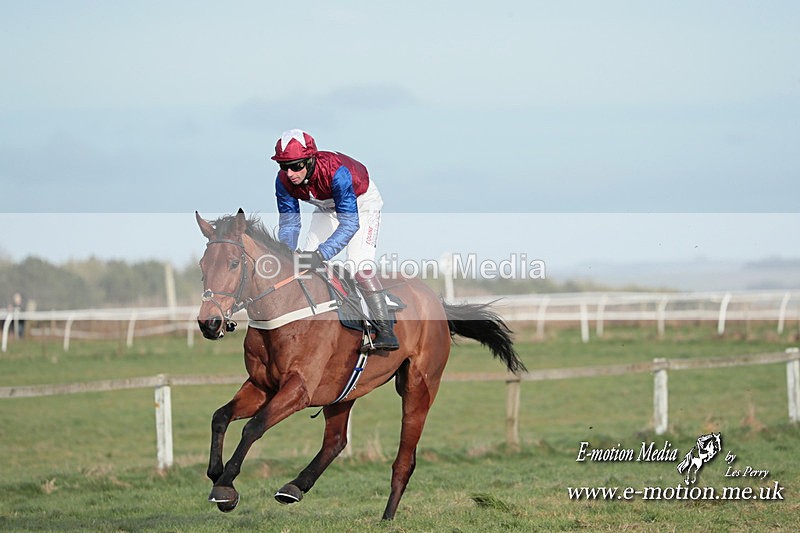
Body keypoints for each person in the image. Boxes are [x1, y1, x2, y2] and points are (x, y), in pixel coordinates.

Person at [272, 129, 399, 351]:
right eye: (284, 166)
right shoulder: (283, 181)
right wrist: (286, 254)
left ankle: (386, 329)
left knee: (358, 265)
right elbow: (290, 224)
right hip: (327, 206)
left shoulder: (336, 172)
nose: (290, 173)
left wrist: (322, 254)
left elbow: (350, 224)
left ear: (310, 160)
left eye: (296, 166)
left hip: (361, 202)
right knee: (301, 264)